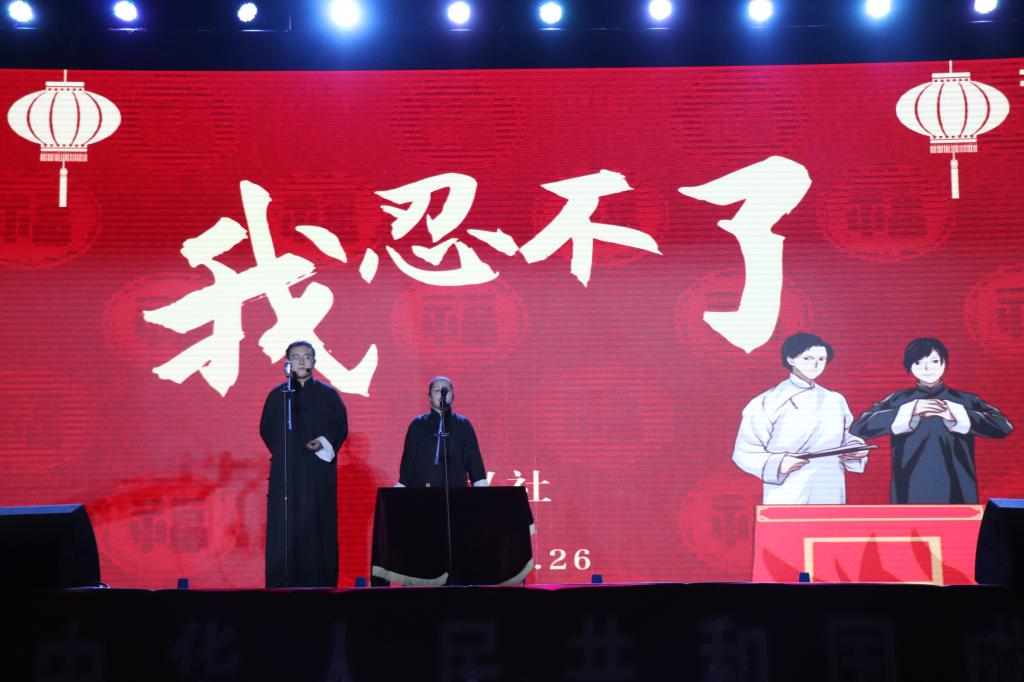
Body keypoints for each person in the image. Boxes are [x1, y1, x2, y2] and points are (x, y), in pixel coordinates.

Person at [850, 337, 1013, 504]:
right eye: (918, 363)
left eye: (934, 361)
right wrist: (912, 409)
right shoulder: (898, 400)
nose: (927, 369)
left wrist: (953, 413)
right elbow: (859, 427)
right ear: (910, 366)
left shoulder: (965, 400)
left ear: (944, 363)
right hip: (909, 485)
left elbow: (1003, 426)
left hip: (959, 484)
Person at [732, 332, 869, 504]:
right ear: (791, 359)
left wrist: (856, 449)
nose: (816, 365)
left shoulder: (835, 399)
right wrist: (778, 463)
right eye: (808, 358)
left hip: (830, 485)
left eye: (822, 359)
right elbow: (744, 451)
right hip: (789, 489)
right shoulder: (767, 401)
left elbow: (845, 436)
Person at [260, 340, 348, 587]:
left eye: (306, 356)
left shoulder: (328, 395)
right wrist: (286, 452)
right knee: (285, 528)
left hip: (317, 472)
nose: (301, 361)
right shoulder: (278, 395)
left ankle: (320, 584)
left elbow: (340, 426)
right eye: (295, 357)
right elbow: (266, 429)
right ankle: (282, 585)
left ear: (314, 361)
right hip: (286, 474)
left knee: (316, 526)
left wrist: (322, 443)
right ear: (287, 362)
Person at [396, 376, 488, 488]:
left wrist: (481, 487)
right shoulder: (418, 424)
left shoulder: (463, 424)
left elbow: (475, 463)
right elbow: (408, 464)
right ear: (429, 396)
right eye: (436, 390)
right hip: (422, 493)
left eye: (445, 390)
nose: (441, 394)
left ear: (453, 395)